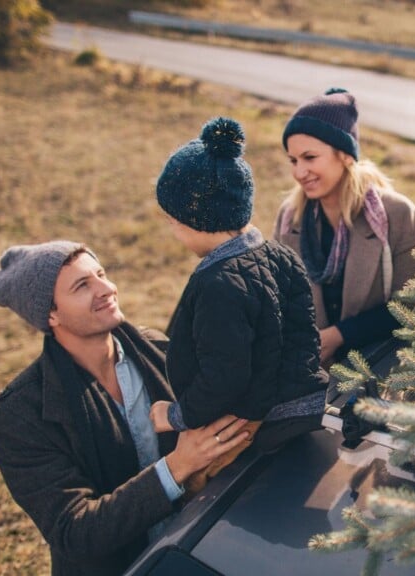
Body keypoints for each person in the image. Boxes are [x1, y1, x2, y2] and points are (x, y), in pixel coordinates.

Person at [0, 241, 251, 576]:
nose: (107, 289)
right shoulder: (18, 417)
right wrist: (177, 466)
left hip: (201, 548)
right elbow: (75, 532)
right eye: (83, 285)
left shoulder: (162, 352)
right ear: (50, 314)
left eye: (101, 274)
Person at [149, 117, 328, 492]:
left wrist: (176, 414)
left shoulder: (218, 284)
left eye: (172, 221)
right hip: (299, 404)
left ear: (193, 220)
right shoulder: (282, 255)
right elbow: (303, 336)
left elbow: (224, 376)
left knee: (196, 488)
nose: (173, 230)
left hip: (250, 424)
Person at [275, 88, 415, 367]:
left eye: (310, 158)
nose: (299, 172)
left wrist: (339, 335)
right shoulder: (290, 219)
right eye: (293, 160)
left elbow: (414, 305)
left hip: (383, 369)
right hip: (309, 369)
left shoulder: (398, 216)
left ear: (345, 155)